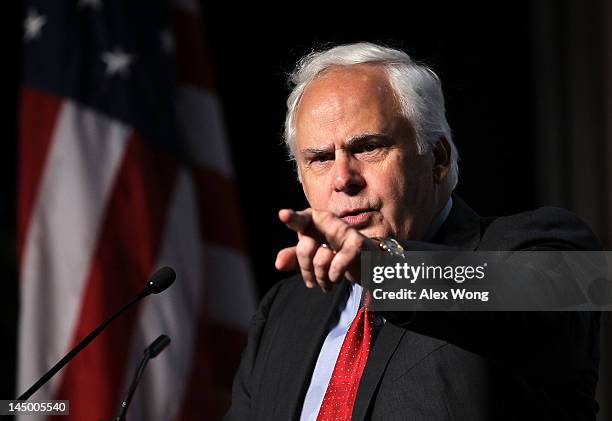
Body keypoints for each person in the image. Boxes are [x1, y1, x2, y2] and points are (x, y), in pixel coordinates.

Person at [224, 42, 601, 420]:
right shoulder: (284, 310)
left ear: (438, 158)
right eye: (320, 158)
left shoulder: (536, 246)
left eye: (369, 147)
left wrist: (380, 267)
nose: (342, 179)